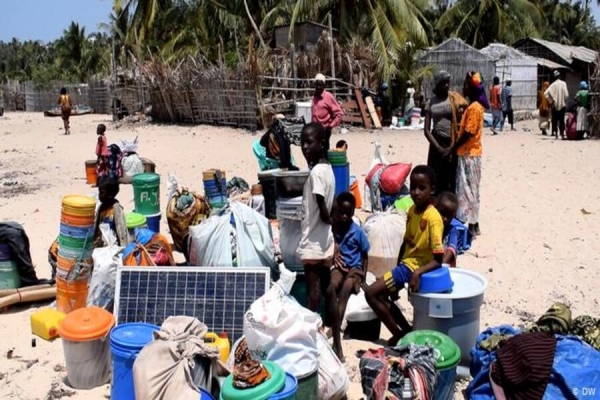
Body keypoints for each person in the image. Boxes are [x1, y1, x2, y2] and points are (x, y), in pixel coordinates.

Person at [365, 165, 445, 344]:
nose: (416, 192)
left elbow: (439, 259)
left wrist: (416, 273)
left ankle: (400, 335)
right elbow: (406, 243)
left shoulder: (433, 218)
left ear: (431, 189)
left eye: (421, 188)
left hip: (414, 267)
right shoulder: (411, 211)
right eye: (413, 187)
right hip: (404, 265)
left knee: (371, 293)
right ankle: (406, 331)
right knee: (380, 295)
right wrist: (397, 266)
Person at [297, 122, 336, 314]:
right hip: (325, 241)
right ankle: (336, 339)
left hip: (313, 241)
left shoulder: (316, 173)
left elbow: (322, 206)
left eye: (309, 143)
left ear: (321, 144)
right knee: (328, 290)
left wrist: (330, 220)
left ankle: (309, 333)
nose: (304, 147)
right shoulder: (328, 169)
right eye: (302, 143)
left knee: (313, 293)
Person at [326, 191, 370, 361]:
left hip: (354, 269)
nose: (343, 216)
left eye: (347, 213)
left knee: (344, 291)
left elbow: (365, 255)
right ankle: (330, 320)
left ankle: (336, 332)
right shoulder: (334, 228)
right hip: (340, 267)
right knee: (332, 284)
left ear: (352, 213)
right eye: (340, 213)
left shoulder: (357, 232)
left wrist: (363, 277)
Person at [443, 71, 486, 237]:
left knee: (466, 190)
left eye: (466, 85)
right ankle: (474, 224)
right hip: (472, 153)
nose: (463, 88)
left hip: (469, 154)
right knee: (473, 190)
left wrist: (452, 148)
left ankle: (468, 225)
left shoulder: (474, 108)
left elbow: (468, 132)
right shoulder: (475, 106)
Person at [424, 70, 468, 195]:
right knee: (435, 176)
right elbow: (426, 130)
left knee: (450, 175)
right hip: (436, 141)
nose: (447, 86)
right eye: (443, 83)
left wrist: (450, 148)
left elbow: (463, 118)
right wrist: (437, 147)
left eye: (448, 83)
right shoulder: (430, 102)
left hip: (452, 142)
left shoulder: (454, 99)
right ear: (437, 85)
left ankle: (449, 205)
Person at [311, 74, 343, 154]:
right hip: (315, 129)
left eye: (320, 85)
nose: (318, 87)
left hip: (325, 129)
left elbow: (339, 113)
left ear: (324, 85)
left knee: (324, 151)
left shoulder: (328, 97)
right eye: (317, 85)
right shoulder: (314, 97)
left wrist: (331, 125)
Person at [93, 177, 128, 248]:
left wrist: (124, 248)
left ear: (110, 194)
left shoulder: (116, 209)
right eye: (99, 192)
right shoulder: (101, 208)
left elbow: (121, 231)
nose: (99, 195)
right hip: (102, 245)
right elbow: (96, 229)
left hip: (114, 246)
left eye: (102, 193)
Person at [435, 191, 460, 267]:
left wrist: (440, 265)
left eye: (449, 216)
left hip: (446, 266)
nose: (445, 219)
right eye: (442, 213)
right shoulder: (431, 225)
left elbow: (451, 250)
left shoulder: (452, 230)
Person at [545, 70, 569, 140]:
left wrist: (551, 101)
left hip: (554, 105)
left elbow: (546, 93)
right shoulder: (564, 83)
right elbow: (566, 95)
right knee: (562, 120)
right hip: (562, 105)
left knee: (554, 120)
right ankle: (562, 134)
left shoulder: (552, 85)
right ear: (560, 76)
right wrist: (563, 99)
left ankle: (555, 134)